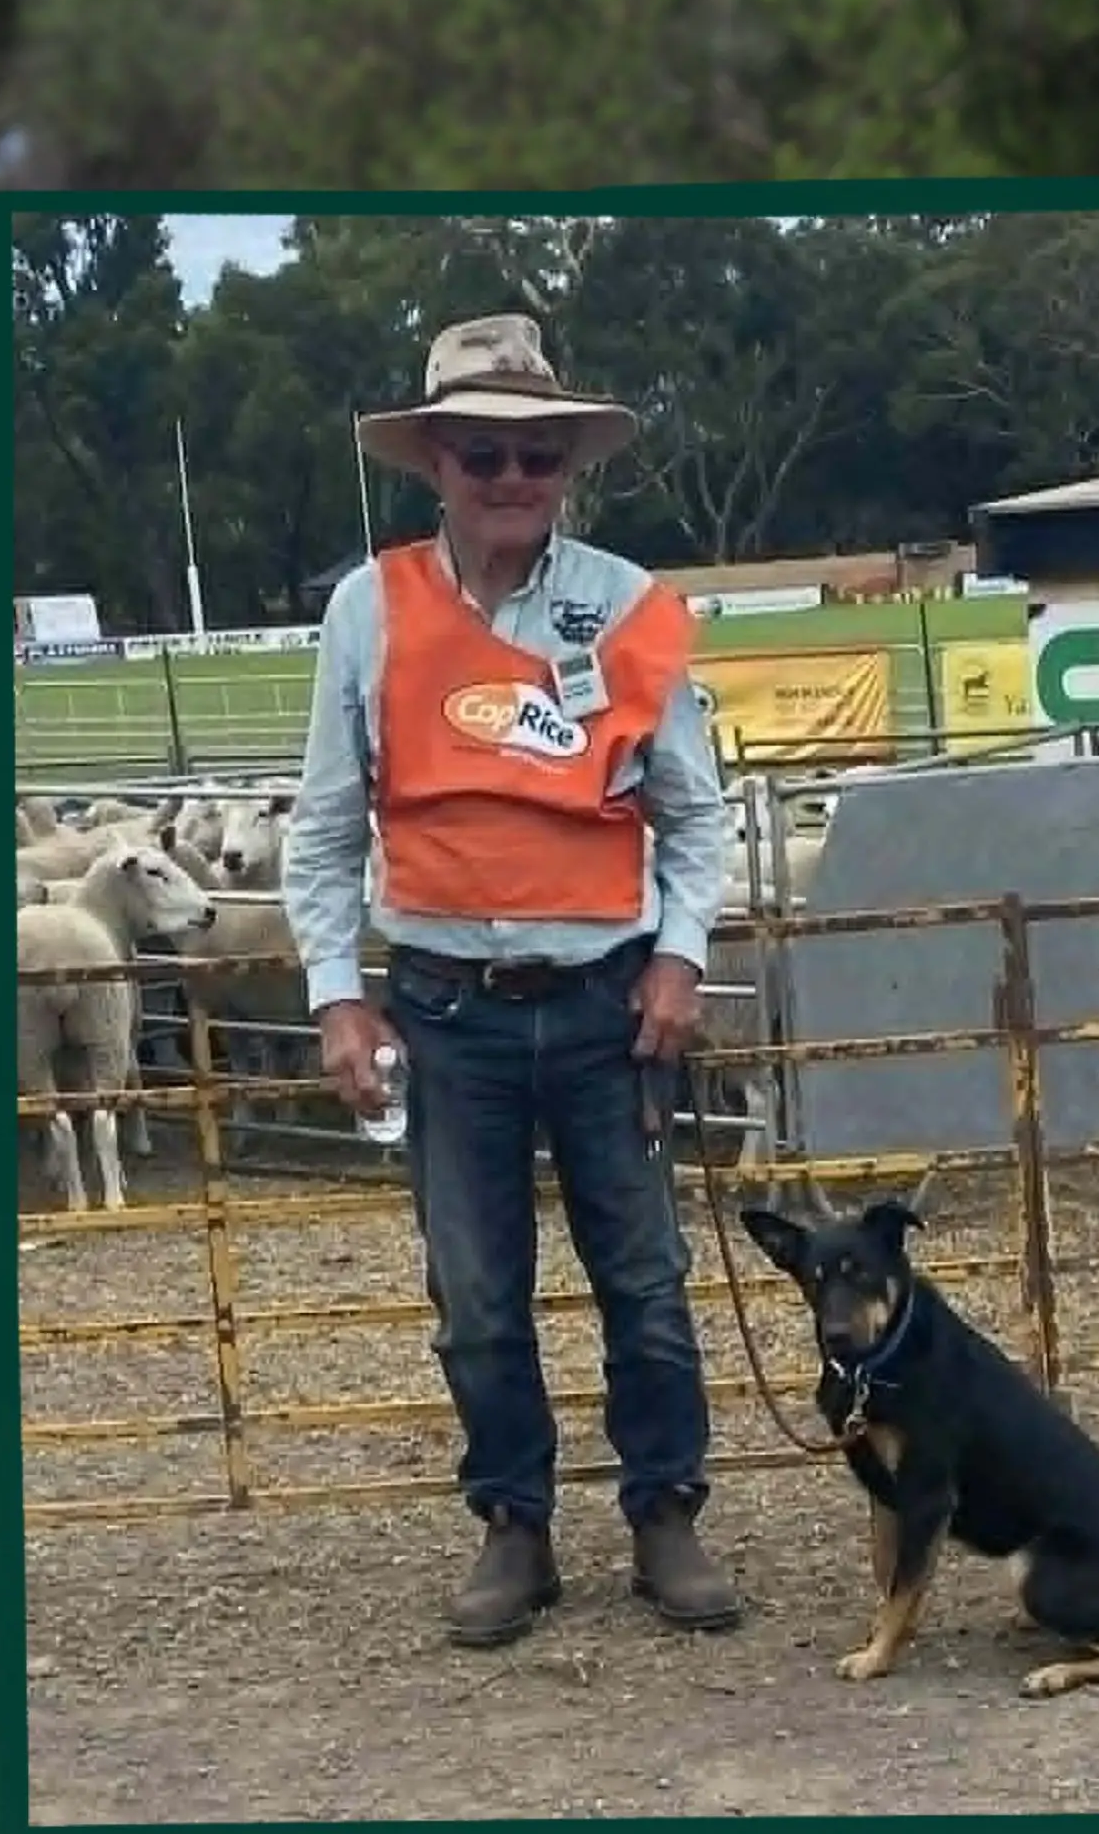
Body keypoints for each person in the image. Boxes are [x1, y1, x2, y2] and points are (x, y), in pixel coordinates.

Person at [282, 312, 741, 1647]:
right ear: (434, 461)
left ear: (566, 467)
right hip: (443, 1008)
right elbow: (325, 823)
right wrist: (335, 992)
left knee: (644, 1282)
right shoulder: (368, 611)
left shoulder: (633, 611)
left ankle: (665, 1512)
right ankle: (515, 1526)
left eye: (535, 457)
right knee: (476, 1295)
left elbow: (693, 814)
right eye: (481, 455)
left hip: (607, 1003)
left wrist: (677, 955)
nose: (509, 481)